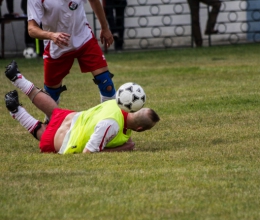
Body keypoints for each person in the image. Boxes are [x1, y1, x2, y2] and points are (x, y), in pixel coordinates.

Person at [4, 61, 160, 154]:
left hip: (71, 118)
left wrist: (126, 142)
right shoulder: (111, 125)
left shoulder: (117, 103)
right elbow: (88, 152)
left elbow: (125, 128)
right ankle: (16, 111)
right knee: (41, 131)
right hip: (64, 140)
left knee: (52, 109)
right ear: (140, 129)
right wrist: (121, 149)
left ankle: (17, 78)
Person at [27, 0, 116, 114]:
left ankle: (111, 119)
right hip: (57, 46)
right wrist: (51, 35)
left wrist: (105, 27)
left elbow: (94, 1)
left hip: (84, 38)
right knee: (51, 96)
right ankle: (50, 124)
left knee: (106, 84)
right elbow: (32, 29)